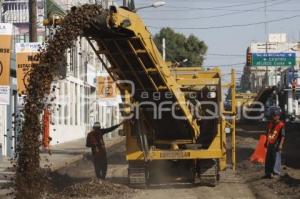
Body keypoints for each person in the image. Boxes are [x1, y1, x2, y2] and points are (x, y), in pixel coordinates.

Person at [264, 109, 285, 179]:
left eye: (275, 116)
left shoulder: (281, 125)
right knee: (268, 158)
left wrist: (281, 144)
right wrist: (266, 142)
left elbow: (282, 136)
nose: (273, 117)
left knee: (276, 159)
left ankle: (276, 173)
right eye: (272, 115)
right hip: (270, 143)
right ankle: (268, 172)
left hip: (276, 144)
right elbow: (267, 133)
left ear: (278, 116)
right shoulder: (270, 124)